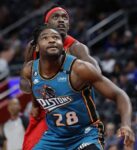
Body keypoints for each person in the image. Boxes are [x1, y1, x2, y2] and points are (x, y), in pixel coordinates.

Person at [20, 25, 135, 150]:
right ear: (36, 46)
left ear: (62, 45)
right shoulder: (29, 70)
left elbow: (119, 94)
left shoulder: (79, 69)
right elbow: (35, 88)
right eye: (45, 38)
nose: (52, 40)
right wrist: (35, 105)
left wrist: (126, 125)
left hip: (85, 134)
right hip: (54, 137)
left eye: (56, 37)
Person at [23, 5, 101, 150]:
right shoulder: (33, 46)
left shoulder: (77, 48)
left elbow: (96, 75)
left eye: (65, 17)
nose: (61, 20)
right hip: (47, 107)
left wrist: (70, 72)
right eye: (56, 17)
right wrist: (34, 104)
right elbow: (30, 79)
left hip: (72, 107)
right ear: (46, 24)